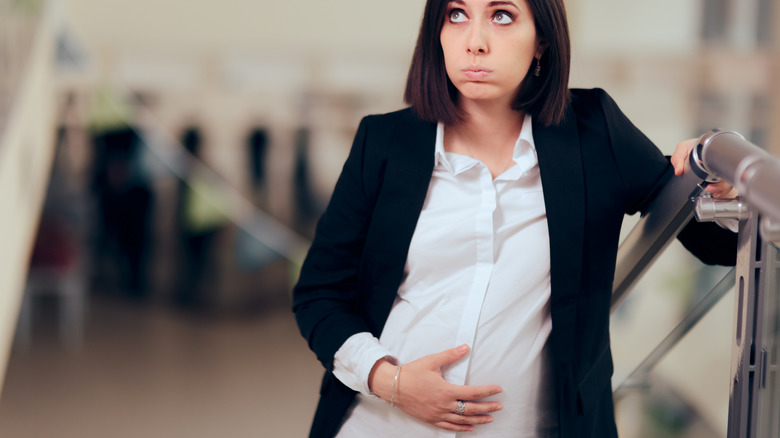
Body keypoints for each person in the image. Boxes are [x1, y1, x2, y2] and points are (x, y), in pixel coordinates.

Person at [292, 0, 737, 437]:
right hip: (380, 424)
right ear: (438, 32)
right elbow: (318, 294)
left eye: (502, 16)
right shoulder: (385, 142)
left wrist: (723, 179)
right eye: (457, 14)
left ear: (541, 39)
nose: (476, 41)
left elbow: (716, 244)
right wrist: (389, 381)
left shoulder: (593, 133)